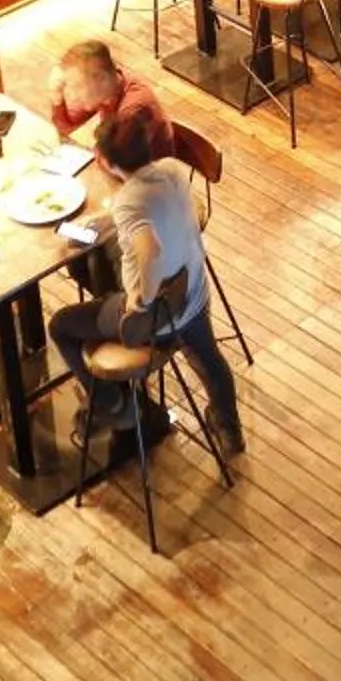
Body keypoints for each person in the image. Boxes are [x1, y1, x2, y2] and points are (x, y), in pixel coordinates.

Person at [50, 107, 245, 457]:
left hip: (157, 319)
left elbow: (149, 250)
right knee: (210, 359)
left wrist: (141, 300)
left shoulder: (129, 202)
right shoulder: (172, 169)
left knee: (61, 326)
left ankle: (115, 406)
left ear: (108, 163)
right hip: (194, 293)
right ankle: (229, 429)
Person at [47, 39, 177, 160]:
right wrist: (57, 98)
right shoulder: (107, 90)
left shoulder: (132, 111)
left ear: (101, 78)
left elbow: (115, 163)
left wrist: (95, 146)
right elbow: (69, 129)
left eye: (78, 86)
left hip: (149, 174)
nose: (74, 95)